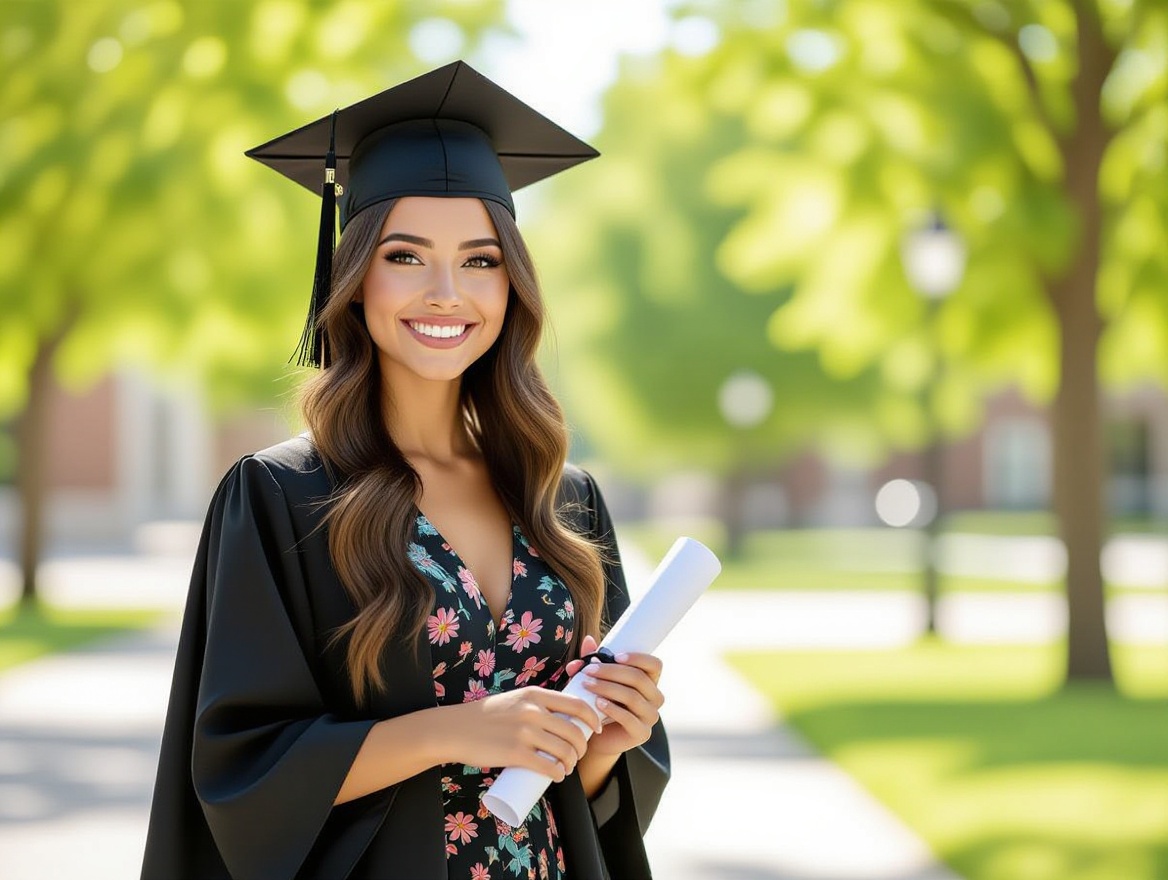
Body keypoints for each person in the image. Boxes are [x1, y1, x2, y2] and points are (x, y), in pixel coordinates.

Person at [141, 61, 669, 880]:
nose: (448, 292)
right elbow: (242, 771)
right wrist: (457, 730)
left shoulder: (564, 501)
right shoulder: (283, 499)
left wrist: (606, 742)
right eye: (407, 256)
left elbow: (595, 795)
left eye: (482, 260)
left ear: (513, 284)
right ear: (353, 280)